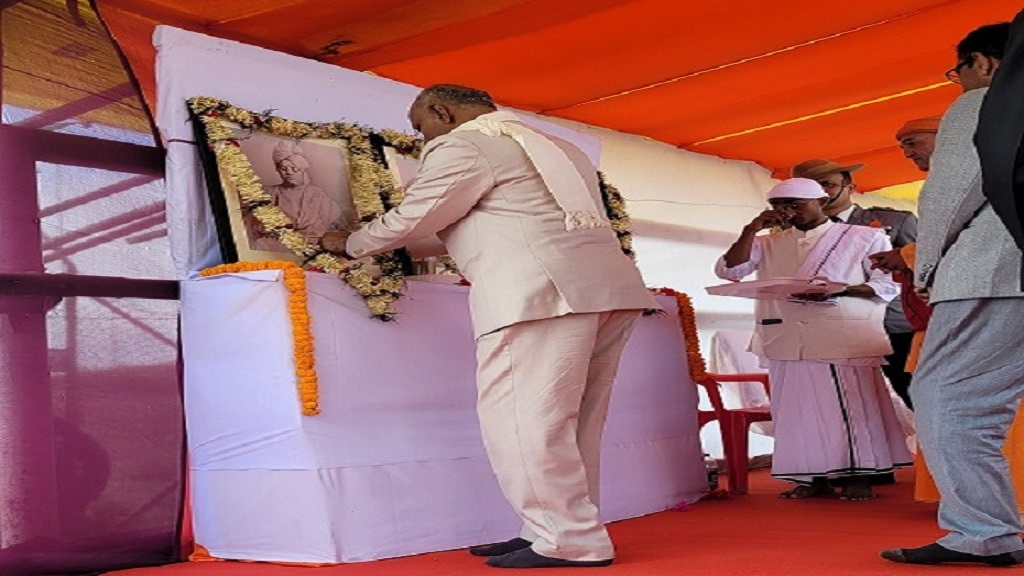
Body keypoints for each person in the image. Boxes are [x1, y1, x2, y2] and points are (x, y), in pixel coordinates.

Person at [321, 84, 656, 569]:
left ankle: (570, 542)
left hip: (540, 295)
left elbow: (420, 214)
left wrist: (352, 242)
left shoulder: (467, 143)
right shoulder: (552, 144)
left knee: (523, 421)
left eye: (420, 126)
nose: (421, 138)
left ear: (441, 111)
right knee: (573, 423)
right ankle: (550, 530)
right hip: (605, 291)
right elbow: (494, 219)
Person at [881, 22, 1024, 567]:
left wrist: (926, 267)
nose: (958, 82)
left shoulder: (985, 102)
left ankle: (983, 531)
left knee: (949, 400)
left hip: (993, 272)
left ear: (983, 63)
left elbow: (952, 192)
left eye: (956, 71)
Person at [715, 177, 909, 501]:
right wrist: (751, 229)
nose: (787, 211)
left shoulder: (864, 236)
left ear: (821, 202)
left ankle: (859, 476)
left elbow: (888, 285)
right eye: (778, 205)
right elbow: (729, 271)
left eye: (795, 204)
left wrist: (841, 290)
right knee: (797, 412)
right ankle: (812, 477)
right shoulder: (766, 242)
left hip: (842, 334)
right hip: (785, 336)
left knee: (850, 409)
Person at [791, 159, 917, 410]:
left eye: (827, 184)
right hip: (830, 330)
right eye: (810, 187)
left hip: (894, 326)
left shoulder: (894, 220)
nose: (820, 193)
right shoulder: (795, 231)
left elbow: (926, 266)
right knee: (843, 404)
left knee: (917, 397)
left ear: (850, 186)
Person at [246, 141, 343, 251]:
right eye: (283, 168)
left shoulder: (319, 197)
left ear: (302, 169)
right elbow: (254, 226)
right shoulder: (267, 193)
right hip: (274, 247)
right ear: (277, 170)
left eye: (294, 168)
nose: (289, 172)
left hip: (311, 249)